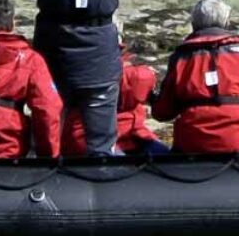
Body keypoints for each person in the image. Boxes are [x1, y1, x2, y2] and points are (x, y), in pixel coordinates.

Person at [15, 0, 129, 156]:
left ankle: (40, 182)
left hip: (56, 59)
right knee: (101, 142)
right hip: (99, 60)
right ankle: (103, 180)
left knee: (47, 129)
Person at [152, 0, 239, 153]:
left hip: (192, 144)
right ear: (226, 22)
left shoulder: (181, 58)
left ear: (193, 24)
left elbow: (162, 112)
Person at [62, 23, 168, 156]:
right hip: (92, 137)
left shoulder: (74, 63)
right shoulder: (135, 72)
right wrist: (148, 73)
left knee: (166, 157)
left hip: (123, 133)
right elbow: (139, 81)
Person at [0, 0, 62, 158]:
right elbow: (48, 110)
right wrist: (49, 156)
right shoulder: (30, 59)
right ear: (12, 23)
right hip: (7, 146)